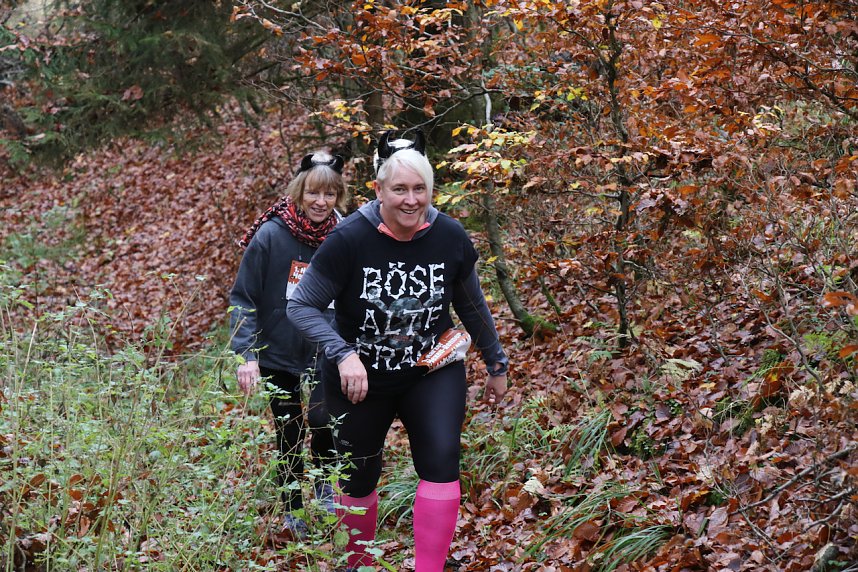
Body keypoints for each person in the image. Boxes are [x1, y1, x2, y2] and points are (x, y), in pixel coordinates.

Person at [287, 132, 509, 571]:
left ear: (431, 190)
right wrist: (343, 354)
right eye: (400, 189)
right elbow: (301, 305)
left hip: (431, 370)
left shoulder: (449, 236)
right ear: (378, 190)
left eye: (420, 189)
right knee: (358, 477)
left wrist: (495, 361)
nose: (411, 200)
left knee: (441, 460)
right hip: (360, 379)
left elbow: (471, 304)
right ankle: (357, 564)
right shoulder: (349, 238)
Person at [229, 151, 349, 535]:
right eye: (313, 192)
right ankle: (293, 508)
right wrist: (246, 354)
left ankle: (326, 491)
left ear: (338, 196)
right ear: (299, 191)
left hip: (326, 348)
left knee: (323, 420)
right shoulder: (271, 235)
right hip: (277, 350)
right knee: (289, 431)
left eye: (329, 194)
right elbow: (243, 297)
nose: (321, 202)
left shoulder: (345, 236)